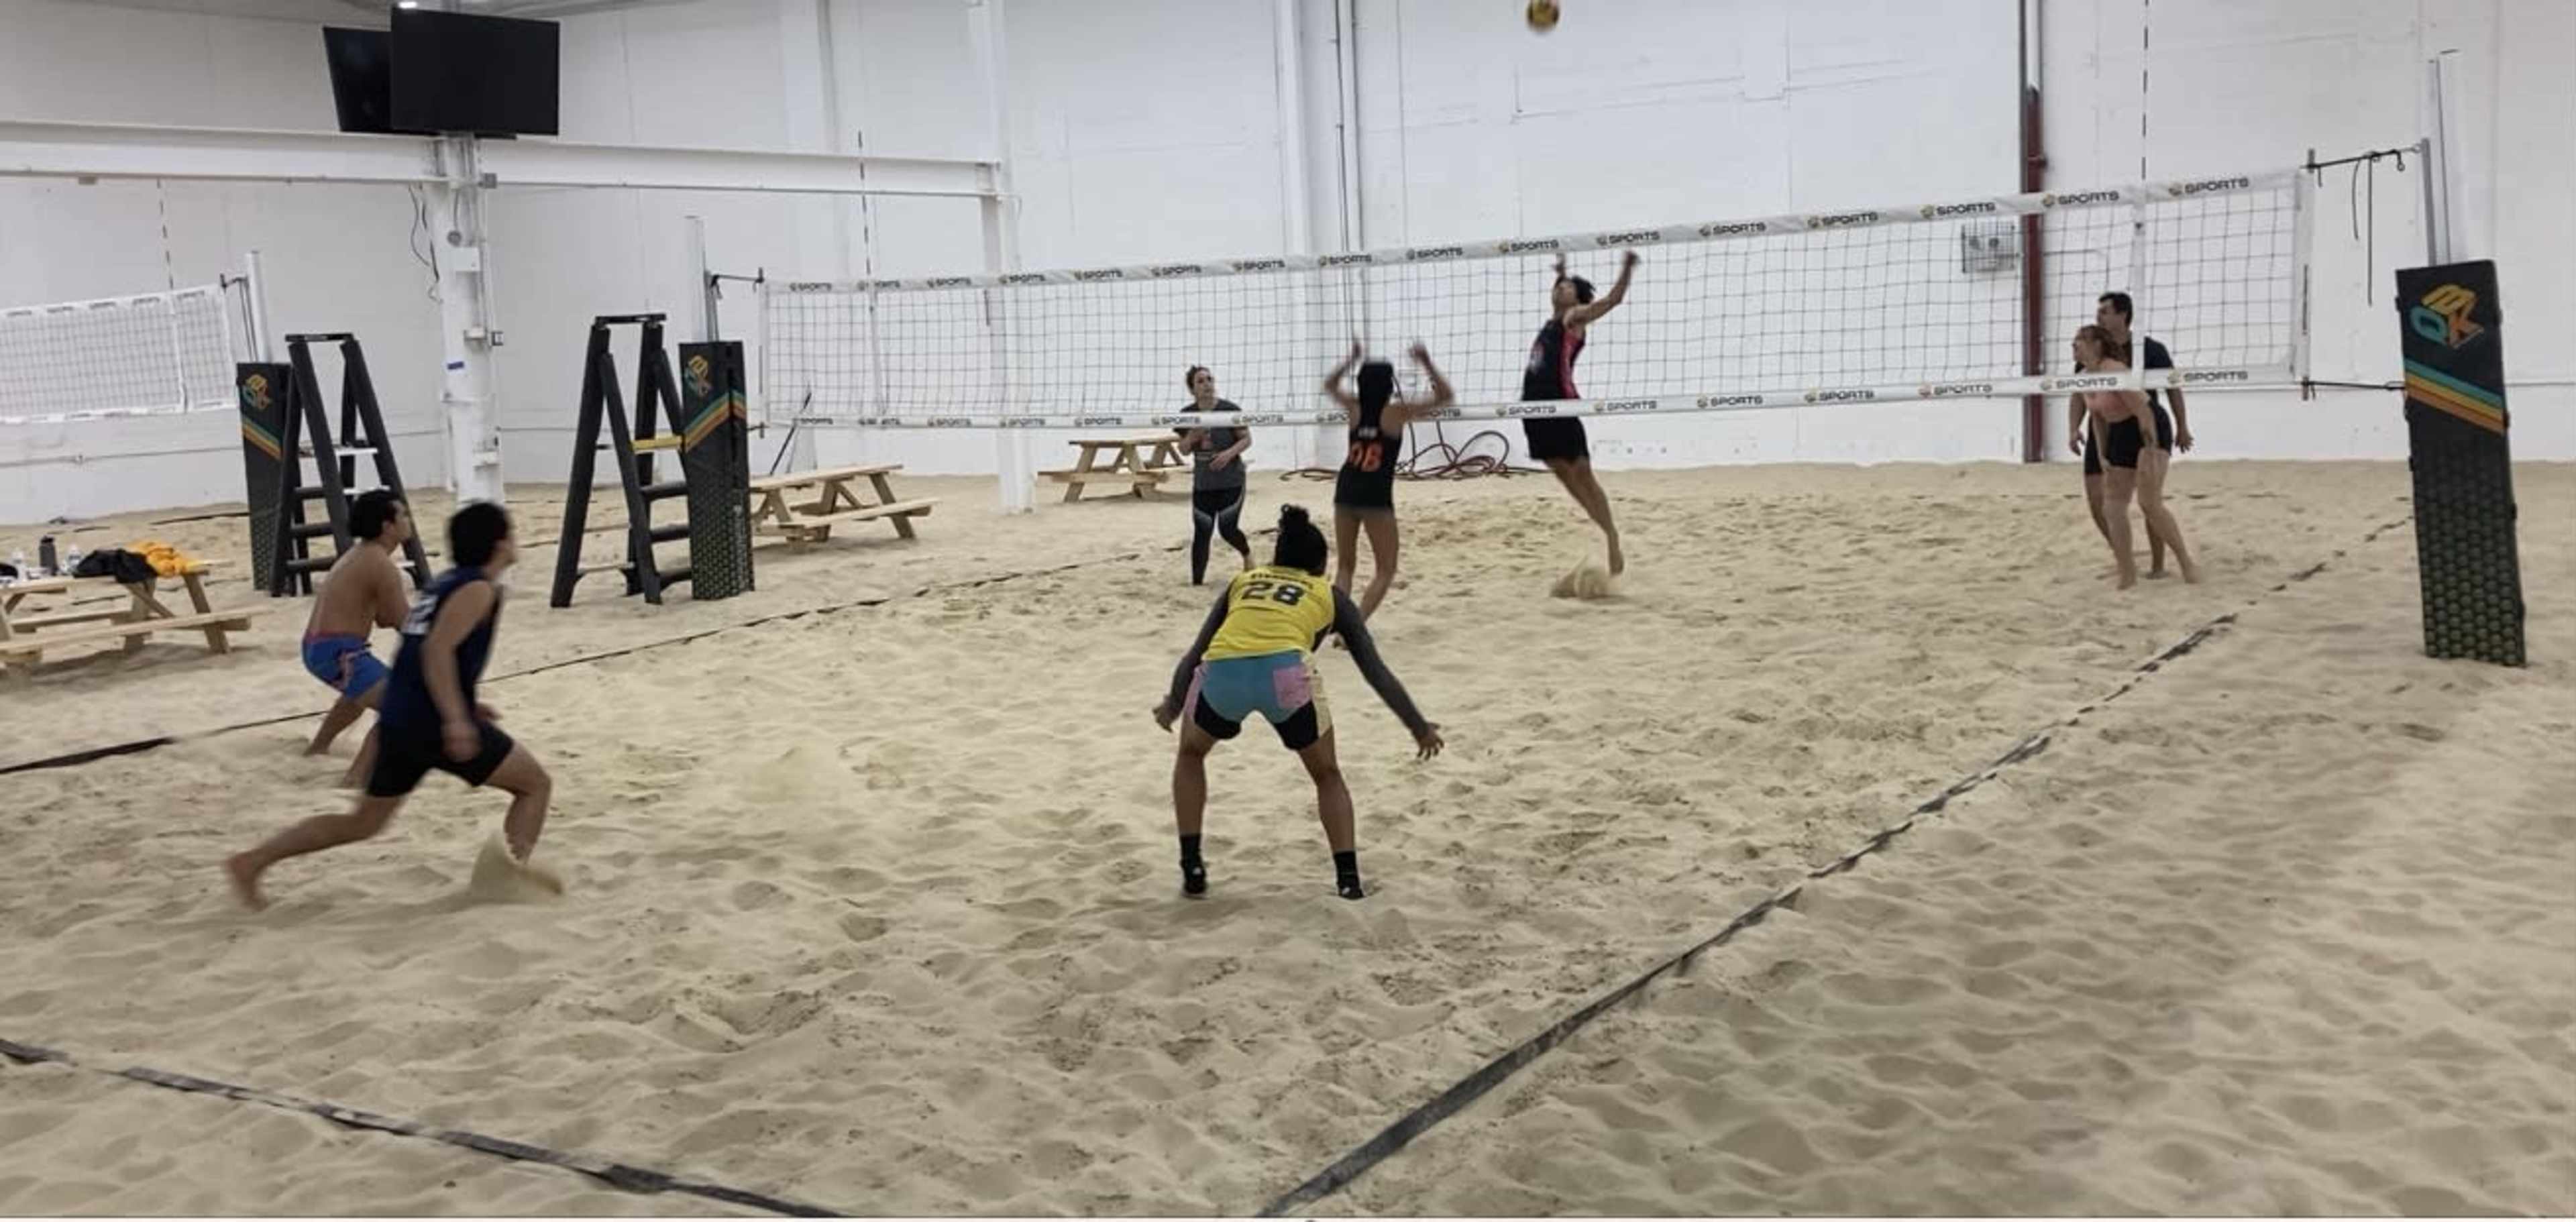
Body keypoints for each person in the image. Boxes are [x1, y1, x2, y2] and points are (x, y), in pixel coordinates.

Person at [227, 502, 559, 910]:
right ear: (498, 542)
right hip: (428, 721)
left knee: (362, 823)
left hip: (402, 719)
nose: (515, 540)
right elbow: (436, 650)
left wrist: (466, 704)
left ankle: (253, 862)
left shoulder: (446, 584)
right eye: (510, 532)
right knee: (534, 785)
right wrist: (456, 718)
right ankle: (506, 882)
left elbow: (420, 649)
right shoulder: (477, 589)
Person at [1152, 505, 1445, 901]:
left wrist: (1173, 703)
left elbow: (1194, 654)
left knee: (1190, 755)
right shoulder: (1330, 595)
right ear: (1321, 566)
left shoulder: (1244, 582)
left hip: (1224, 673)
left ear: (1276, 558)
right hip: (1287, 676)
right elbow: (1375, 671)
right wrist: (1418, 727)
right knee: (1327, 775)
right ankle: (1348, 879)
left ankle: (1192, 866)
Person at [1522, 249, 1640, 574]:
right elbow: (1560, 291)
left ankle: (1612, 537)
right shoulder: (1553, 318)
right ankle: (1603, 529)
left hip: (1560, 404)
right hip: (1532, 408)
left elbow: (1612, 301)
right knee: (1564, 475)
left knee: (1583, 475)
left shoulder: (1574, 318)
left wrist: (1626, 268)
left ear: (1578, 298)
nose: (1560, 288)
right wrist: (1562, 271)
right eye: (1558, 286)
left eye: (1567, 287)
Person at [1322, 340, 1453, 620]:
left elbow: (1330, 385)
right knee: (1386, 569)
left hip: (1345, 490)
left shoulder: (1355, 409)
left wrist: (1351, 358)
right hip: (1375, 495)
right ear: (1389, 386)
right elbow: (1445, 396)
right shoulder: (1394, 413)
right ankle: (1354, 627)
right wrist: (1426, 361)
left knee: (1345, 566)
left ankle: (1336, 624)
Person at [2068, 291, 2194, 577]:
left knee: (2149, 501)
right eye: (2098, 312)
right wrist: (2074, 429)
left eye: (2104, 311)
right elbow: (2080, 399)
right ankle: (2125, 563)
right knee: (2101, 501)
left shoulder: (2149, 350)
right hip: (2108, 425)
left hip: (2142, 423)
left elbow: (2171, 389)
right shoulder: (2087, 363)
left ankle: (2161, 565)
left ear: (2123, 314)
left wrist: (2181, 426)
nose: (2098, 316)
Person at [299, 490, 413, 787]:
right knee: (401, 706)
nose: (408, 520)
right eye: (403, 515)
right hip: (338, 650)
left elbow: (383, 616)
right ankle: (355, 779)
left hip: (319, 645)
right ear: (388, 526)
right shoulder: (382, 565)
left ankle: (318, 748)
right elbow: (406, 625)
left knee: (360, 693)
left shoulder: (360, 555)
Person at [1175, 366, 1254, 585]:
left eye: (1210, 379)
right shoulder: (1187, 415)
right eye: (1201, 381)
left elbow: (1246, 439)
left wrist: (1228, 454)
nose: (1207, 384)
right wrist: (1192, 436)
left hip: (1232, 480)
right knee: (1202, 531)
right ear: (1193, 389)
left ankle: (1247, 555)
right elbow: (1183, 450)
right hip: (1203, 483)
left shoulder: (1229, 410)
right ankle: (1197, 583)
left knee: (1227, 529)